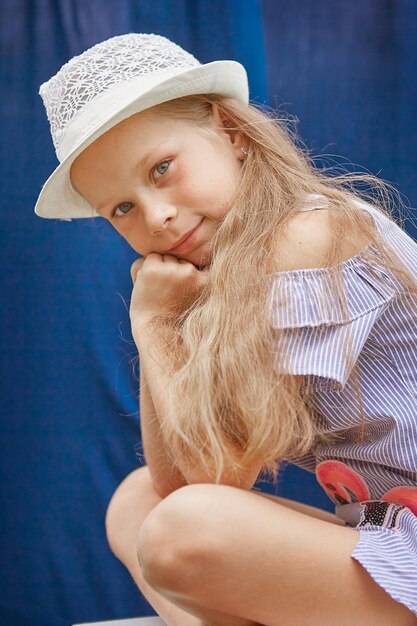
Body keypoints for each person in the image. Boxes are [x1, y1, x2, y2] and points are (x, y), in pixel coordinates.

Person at [35, 33, 417, 626]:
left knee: (181, 531)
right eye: (121, 209)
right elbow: (174, 479)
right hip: (395, 536)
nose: (155, 216)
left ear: (231, 133)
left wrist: (155, 325)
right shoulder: (226, 270)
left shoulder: (306, 238)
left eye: (161, 169)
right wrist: (157, 322)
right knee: (139, 500)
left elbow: (214, 479)